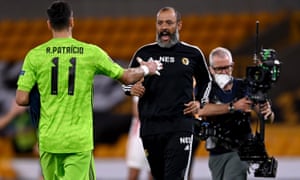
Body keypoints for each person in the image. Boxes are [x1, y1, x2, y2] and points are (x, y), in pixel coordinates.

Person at [15, 1, 161, 180]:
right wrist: (148, 69)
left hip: (48, 139)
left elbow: (21, 99)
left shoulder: (34, 56)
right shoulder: (90, 53)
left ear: (48, 24)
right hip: (77, 140)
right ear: (72, 22)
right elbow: (126, 76)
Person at [122, 6, 212, 180]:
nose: (164, 27)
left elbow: (206, 81)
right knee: (159, 176)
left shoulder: (193, 53)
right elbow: (126, 80)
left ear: (179, 25)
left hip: (181, 125)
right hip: (150, 128)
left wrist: (200, 101)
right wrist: (130, 89)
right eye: (160, 23)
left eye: (169, 23)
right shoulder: (144, 53)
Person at [184, 47, 274, 180]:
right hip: (216, 152)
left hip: (240, 149)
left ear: (232, 66)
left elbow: (265, 116)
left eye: (227, 67)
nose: (224, 72)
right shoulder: (206, 88)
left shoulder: (244, 86)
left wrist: (267, 112)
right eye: (219, 69)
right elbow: (200, 109)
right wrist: (233, 107)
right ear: (211, 69)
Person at [126, 95, 152, 180]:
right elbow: (136, 111)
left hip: (156, 136)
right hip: (138, 138)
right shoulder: (141, 84)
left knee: (154, 173)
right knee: (134, 173)